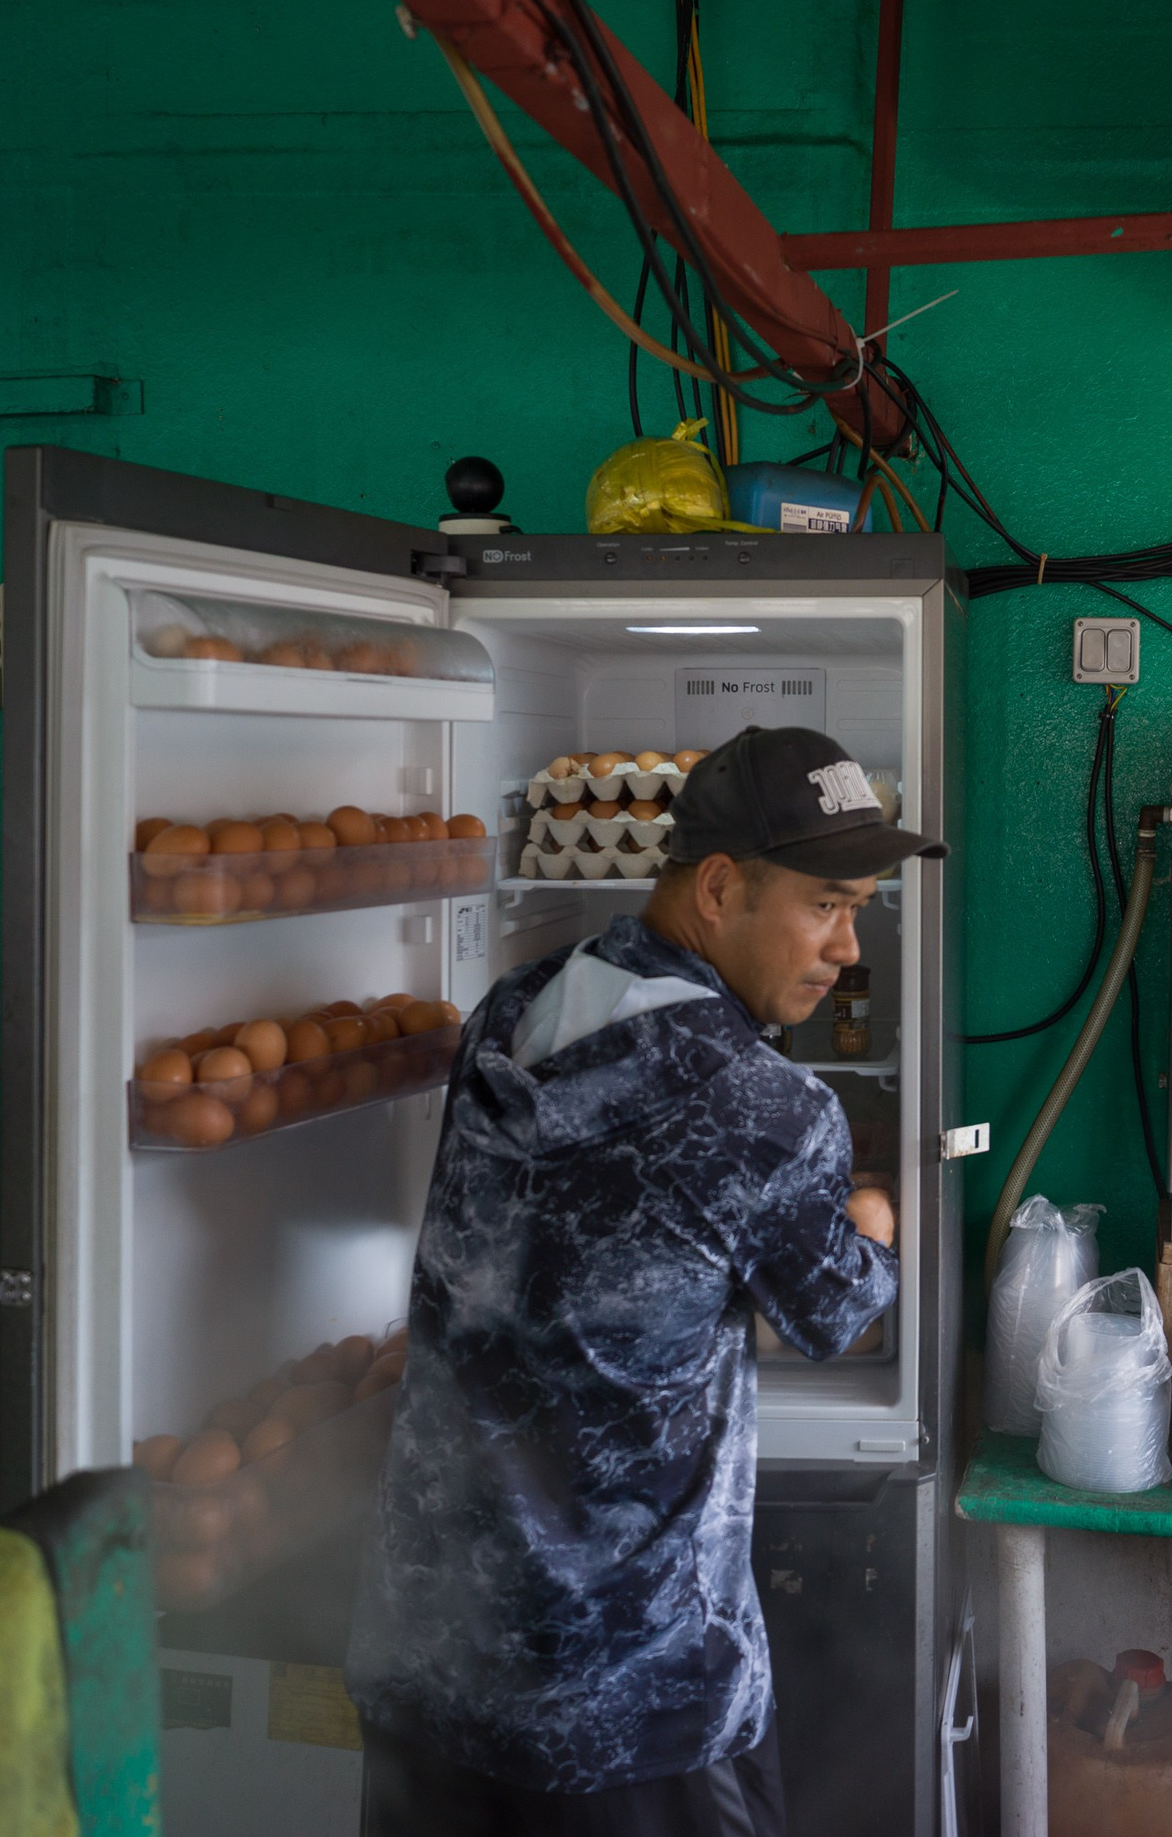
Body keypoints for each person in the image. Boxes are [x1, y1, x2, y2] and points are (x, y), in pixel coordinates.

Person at [346, 726, 942, 1837]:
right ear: (719, 886)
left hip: (428, 1655)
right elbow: (839, 1310)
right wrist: (870, 1216)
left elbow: (581, 1259)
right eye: (826, 903)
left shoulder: (509, 1014)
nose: (850, 947)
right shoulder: (767, 1107)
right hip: (628, 1699)